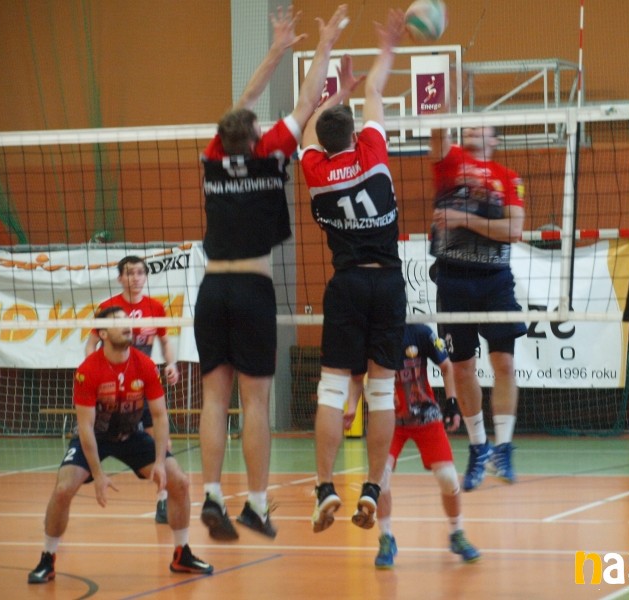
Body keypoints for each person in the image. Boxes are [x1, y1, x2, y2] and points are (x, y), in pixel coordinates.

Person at [194, 4, 349, 542]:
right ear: (258, 135)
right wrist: (321, 45)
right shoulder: (271, 153)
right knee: (254, 402)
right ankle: (256, 505)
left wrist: (276, 50)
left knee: (215, 400)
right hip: (253, 289)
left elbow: (241, 104)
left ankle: (211, 494)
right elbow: (307, 102)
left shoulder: (213, 158)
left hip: (212, 289)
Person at [299, 9, 407, 533]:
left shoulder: (314, 169)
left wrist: (332, 91)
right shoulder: (374, 151)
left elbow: (309, 119)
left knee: (332, 390)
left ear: (323, 143)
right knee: (381, 391)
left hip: (345, 284)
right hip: (387, 282)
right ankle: (372, 487)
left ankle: (325, 488)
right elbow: (376, 91)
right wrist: (387, 47)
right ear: (355, 133)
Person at [27, 307, 212, 584]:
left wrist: (160, 462)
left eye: (128, 321)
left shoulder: (145, 365)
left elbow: (160, 416)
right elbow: (86, 427)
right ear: (102, 333)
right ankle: (47, 558)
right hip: (95, 439)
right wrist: (98, 474)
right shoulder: (87, 370)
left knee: (180, 482)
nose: (127, 325)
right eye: (117, 321)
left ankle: (181, 554)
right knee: (63, 488)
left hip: (132, 436)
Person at [429, 122, 527, 492]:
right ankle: (478, 447)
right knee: (462, 367)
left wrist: (463, 219)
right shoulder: (449, 162)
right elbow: (436, 127)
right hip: (453, 277)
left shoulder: (508, 177)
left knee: (504, 364)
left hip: (495, 279)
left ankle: (504, 448)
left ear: (494, 139)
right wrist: (439, 95)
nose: (472, 127)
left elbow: (513, 230)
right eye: (468, 124)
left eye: (481, 126)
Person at [351, 323, 480, 568]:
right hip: (387, 419)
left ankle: (457, 533)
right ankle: (386, 538)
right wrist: (350, 406)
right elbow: (356, 376)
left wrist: (452, 403)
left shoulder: (420, 333)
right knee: (380, 478)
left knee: (448, 478)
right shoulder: (371, 336)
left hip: (425, 417)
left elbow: (446, 367)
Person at [85, 255, 179, 524]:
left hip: (142, 385)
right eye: (129, 273)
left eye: (140, 273)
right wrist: (92, 370)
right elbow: (91, 344)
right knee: (97, 433)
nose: (135, 278)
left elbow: (165, 341)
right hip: (112, 388)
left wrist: (171, 364)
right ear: (120, 278)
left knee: (161, 440)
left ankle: (163, 500)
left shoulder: (155, 307)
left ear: (145, 277)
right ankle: (86, 471)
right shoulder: (108, 308)